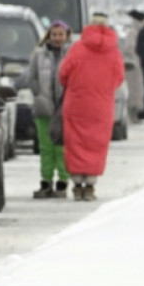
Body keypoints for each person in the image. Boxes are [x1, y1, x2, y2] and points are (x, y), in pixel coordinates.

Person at [59, 12, 124, 202]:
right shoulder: (114, 51)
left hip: (77, 103)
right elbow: (119, 77)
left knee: (76, 140)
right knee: (97, 142)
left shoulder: (78, 48)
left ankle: (77, 184)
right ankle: (90, 184)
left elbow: (64, 73)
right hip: (102, 104)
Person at [23, 20, 72, 199]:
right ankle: (46, 180)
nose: (57, 38)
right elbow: (32, 78)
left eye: (61, 34)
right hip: (44, 107)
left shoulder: (73, 54)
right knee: (46, 147)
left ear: (67, 36)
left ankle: (63, 181)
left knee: (62, 147)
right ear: (48, 36)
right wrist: (39, 95)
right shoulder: (39, 55)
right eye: (54, 34)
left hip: (65, 108)